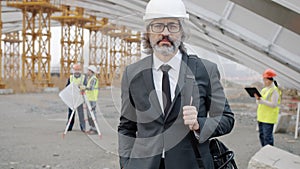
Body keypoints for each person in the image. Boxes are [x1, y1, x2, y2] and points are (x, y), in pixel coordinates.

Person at [118, 0, 235, 168]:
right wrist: (126, 164)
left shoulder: (205, 70)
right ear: (148, 32)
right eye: (157, 26)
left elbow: (227, 118)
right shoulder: (132, 74)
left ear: (182, 32)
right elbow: (126, 126)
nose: (165, 33)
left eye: (173, 26)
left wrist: (199, 125)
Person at [254, 68, 281, 146]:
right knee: (262, 136)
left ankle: (269, 153)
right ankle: (264, 151)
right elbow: (259, 102)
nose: (264, 82)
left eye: (265, 80)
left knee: (267, 137)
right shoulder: (264, 90)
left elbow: (274, 104)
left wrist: (261, 101)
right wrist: (258, 99)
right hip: (261, 117)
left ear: (271, 80)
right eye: (263, 80)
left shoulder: (275, 90)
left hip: (269, 118)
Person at [66, 63, 87, 132]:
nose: (77, 71)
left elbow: (86, 86)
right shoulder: (71, 78)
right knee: (71, 113)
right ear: (73, 70)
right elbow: (67, 87)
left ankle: (83, 127)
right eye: (76, 70)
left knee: (81, 113)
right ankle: (69, 126)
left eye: (78, 70)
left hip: (80, 98)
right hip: (72, 98)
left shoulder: (84, 78)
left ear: (80, 70)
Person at [85, 65, 99, 134]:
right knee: (89, 115)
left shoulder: (93, 79)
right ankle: (91, 128)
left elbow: (91, 88)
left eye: (88, 70)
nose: (87, 72)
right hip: (89, 99)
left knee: (92, 114)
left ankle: (94, 129)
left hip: (92, 99)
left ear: (91, 71)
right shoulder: (90, 78)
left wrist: (83, 87)